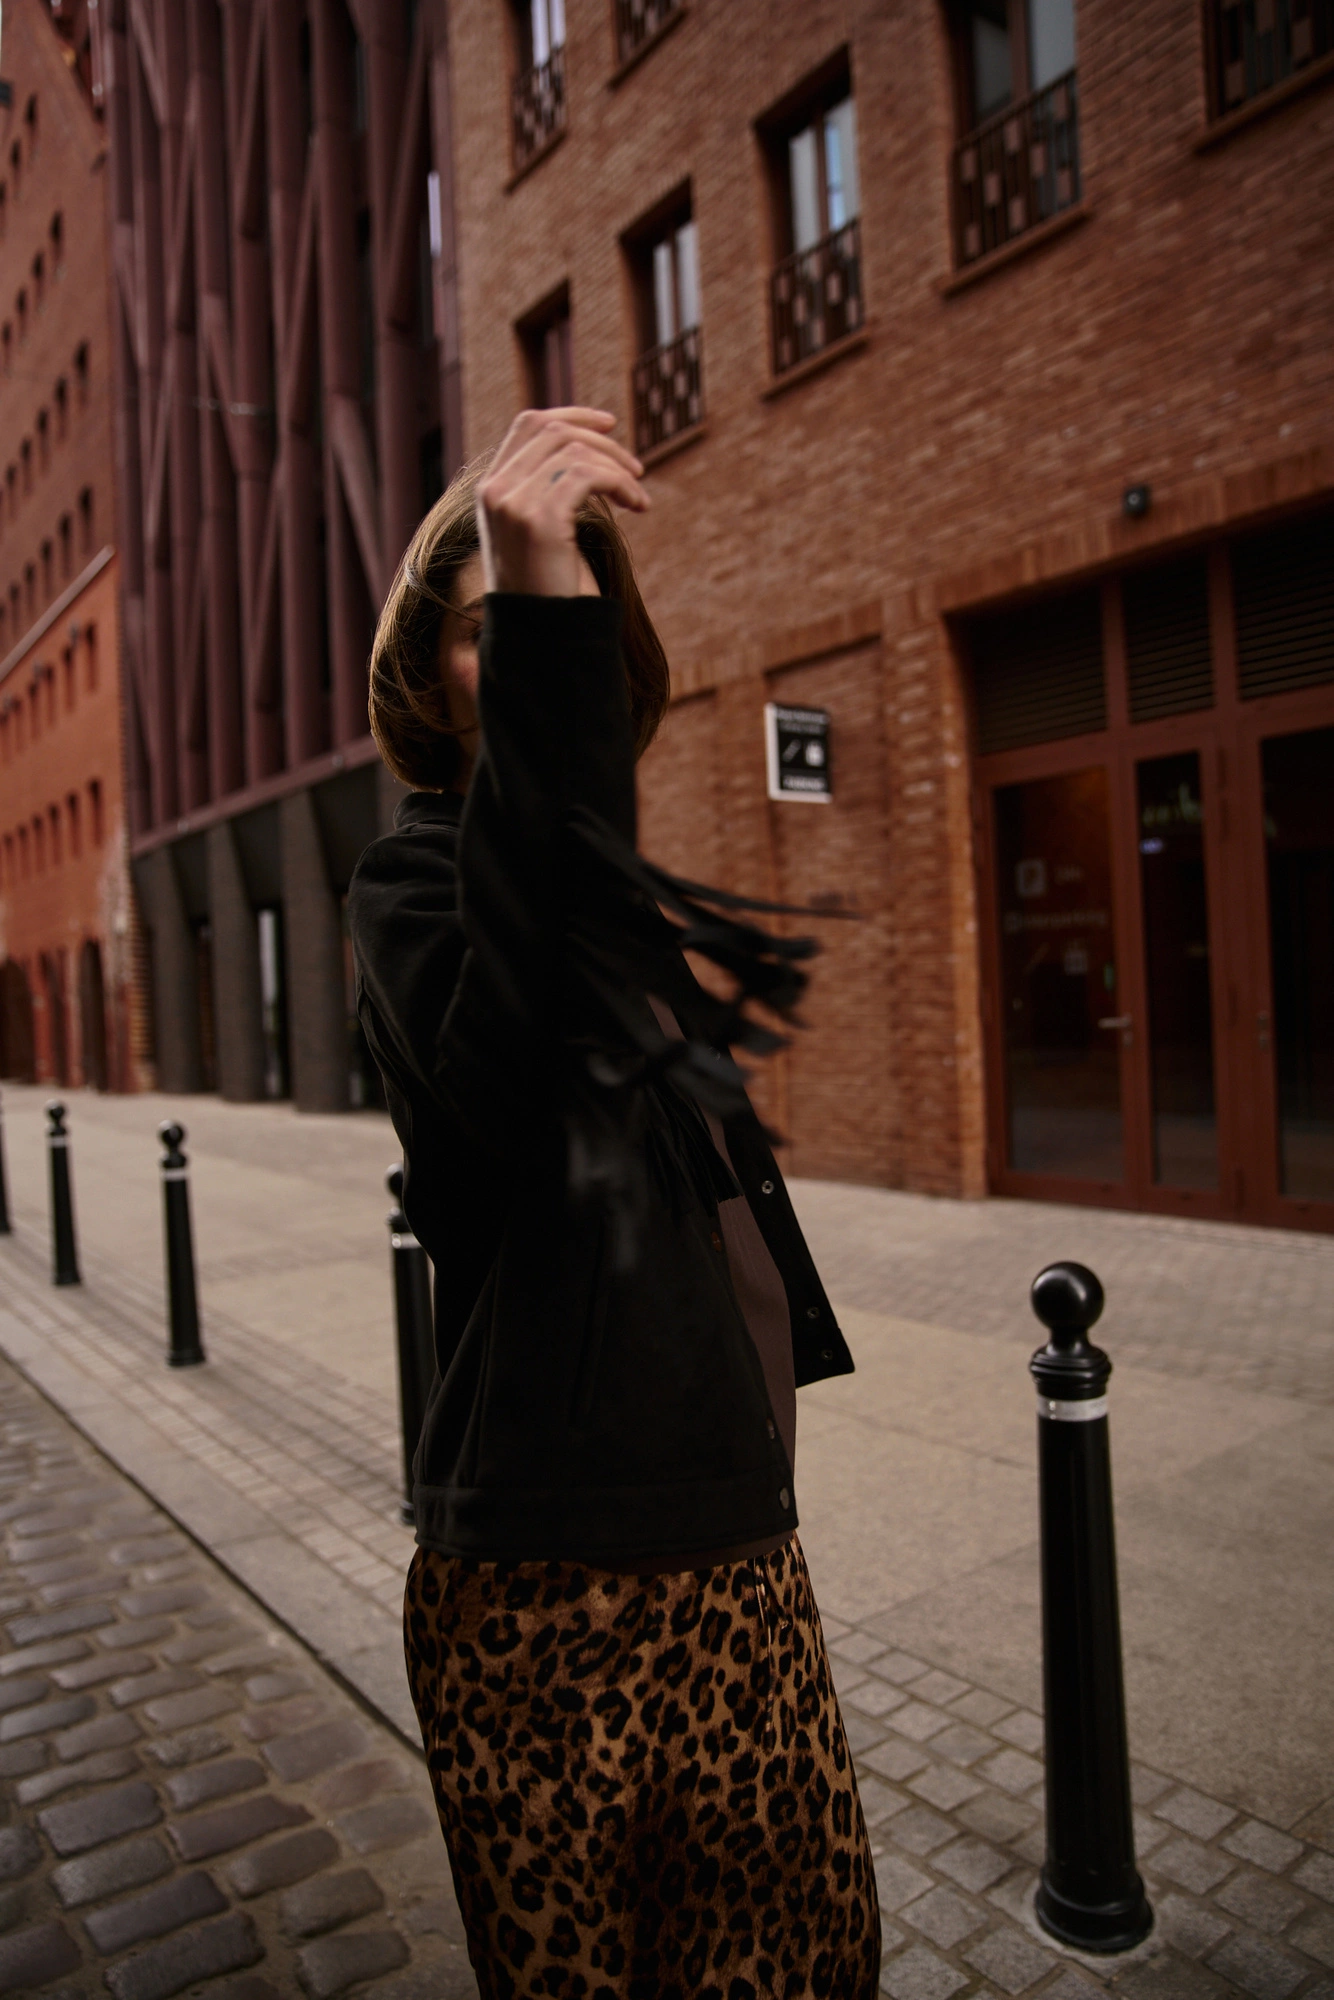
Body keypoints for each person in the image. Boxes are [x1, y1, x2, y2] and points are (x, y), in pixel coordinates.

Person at [347, 407, 881, 2000]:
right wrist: (535, 613)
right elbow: (514, 1104)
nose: (526, 649)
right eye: (487, 631)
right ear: (426, 678)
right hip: (552, 1583)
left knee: (811, 1968)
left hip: (735, 1545)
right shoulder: (411, 889)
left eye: (562, 616)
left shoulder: (607, 907)